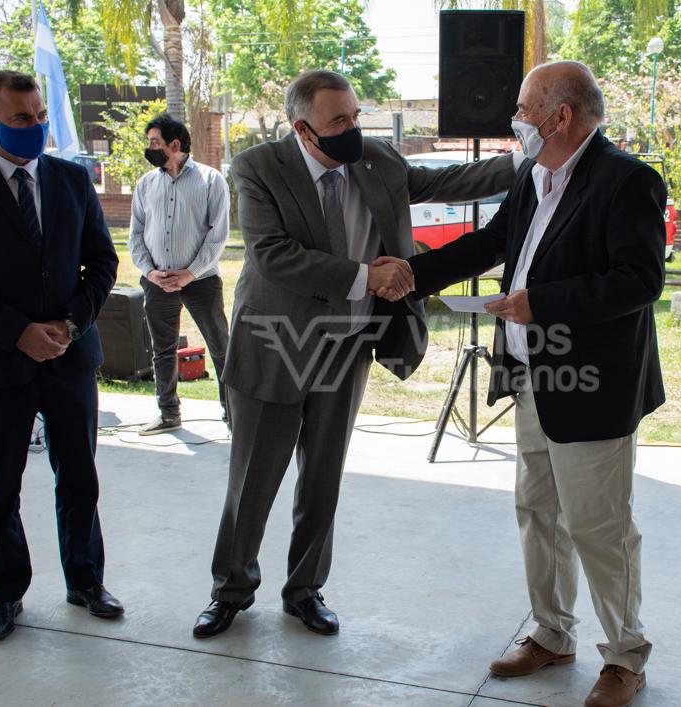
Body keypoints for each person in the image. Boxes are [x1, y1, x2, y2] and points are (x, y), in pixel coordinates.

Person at [191, 69, 520, 639]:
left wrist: (525, 162)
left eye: (355, 115)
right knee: (253, 480)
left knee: (323, 478)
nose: (353, 129)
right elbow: (273, 256)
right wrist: (365, 276)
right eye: (338, 121)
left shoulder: (376, 159)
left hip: (348, 349)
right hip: (277, 346)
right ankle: (231, 590)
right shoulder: (258, 168)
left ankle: (305, 590)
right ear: (303, 128)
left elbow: (445, 183)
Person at [399, 61, 667, 707]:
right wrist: (410, 274)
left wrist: (541, 301)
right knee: (538, 513)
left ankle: (626, 656)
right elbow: (491, 243)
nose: (514, 119)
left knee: (599, 525)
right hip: (529, 374)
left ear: (560, 116)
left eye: (522, 107)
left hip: (592, 385)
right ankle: (552, 632)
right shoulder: (534, 175)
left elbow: (640, 281)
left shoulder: (626, 180)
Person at [0, 70, 122, 642]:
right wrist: (19, 333)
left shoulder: (70, 178)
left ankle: (86, 580)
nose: (35, 127)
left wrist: (68, 322)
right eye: (20, 119)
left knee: (79, 477)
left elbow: (101, 263)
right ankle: (4, 594)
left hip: (69, 356)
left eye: (39, 117)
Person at [128, 113, 231, 434]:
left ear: (175, 144)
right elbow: (136, 235)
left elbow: (218, 235)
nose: (150, 149)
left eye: (155, 143)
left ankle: (234, 414)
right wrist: (150, 272)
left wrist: (190, 272)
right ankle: (168, 412)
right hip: (157, 283)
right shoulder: (146, 184)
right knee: (162, 350)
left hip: (201, 282)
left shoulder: (211, 180)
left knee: (220, 347)